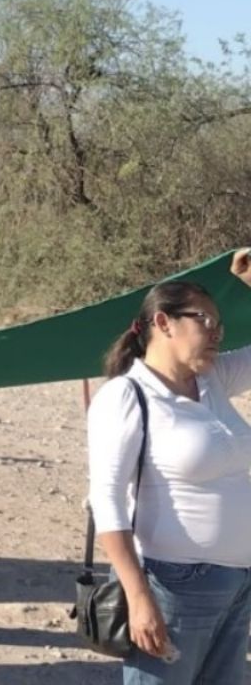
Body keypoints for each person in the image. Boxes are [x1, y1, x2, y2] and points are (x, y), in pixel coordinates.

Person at [88, 254, 251, 685]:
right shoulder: (126, 395)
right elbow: (106, 501)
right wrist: (138, 597)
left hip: (238, 586)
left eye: (220, 327)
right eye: (205, 321)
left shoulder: (213, 381)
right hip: (173, 587)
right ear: (163, 322)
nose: (216, 334)